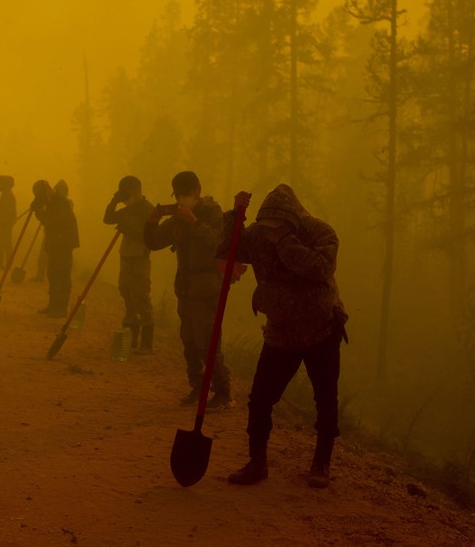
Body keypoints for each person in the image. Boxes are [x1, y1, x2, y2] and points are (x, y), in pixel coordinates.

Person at [220, 184, 348, 489]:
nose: (271, 230)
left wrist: (285, 242)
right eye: (268, 226)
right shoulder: (259, 233)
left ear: (292, 221)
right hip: (280, 331)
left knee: (326, 398)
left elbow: (320, 268)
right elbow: (228, 249)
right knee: (261, 398)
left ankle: (321, 465)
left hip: (322, 329)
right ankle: (257, 462)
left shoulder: (321, 233)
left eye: (278, 225)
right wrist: (235, 216)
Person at [144, 171, 232, 409]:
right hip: (185, 287)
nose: (183, 199)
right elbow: (154, 242)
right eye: (179, 195)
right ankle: (198, 385)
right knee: (189, 341)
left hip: (207, 288)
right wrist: (152, 221)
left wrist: (194, 221)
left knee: (207, 340)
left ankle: (222, 391)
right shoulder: (177, 219)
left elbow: (219, 242)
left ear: (198, 191)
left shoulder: (211, 213)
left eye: (186, 194)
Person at [103, 176, 155, 354]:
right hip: (125, 256)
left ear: (137, 190)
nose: (127, 196)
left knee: (141, 296)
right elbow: (108, 218)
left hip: (139, 258)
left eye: (128, 192)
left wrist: (128, 228)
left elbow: (149, 236)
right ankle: (131, 335)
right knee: (125, 291)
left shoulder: (148, 209)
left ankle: (146, 343)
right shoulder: (127, 209)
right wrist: (114, 201)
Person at [31, 179, 79, 317]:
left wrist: (39, 212)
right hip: (55, 243)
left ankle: (61, 308)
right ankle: (53, 305)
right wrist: (40, 209)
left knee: (62, 275)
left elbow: (52, 221)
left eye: (41, 195)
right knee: (52, 273)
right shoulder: (53, 201)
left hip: (63, 244)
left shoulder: (59, 201)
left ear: (47, 190)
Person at [0, 175, 17, 269]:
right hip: (2, 224)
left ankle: (7, 264)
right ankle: (0, 262)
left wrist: (6, 224)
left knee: (6, 245)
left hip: (5, 225)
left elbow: (10, 212)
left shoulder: (8, 195)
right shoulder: (5, 194)